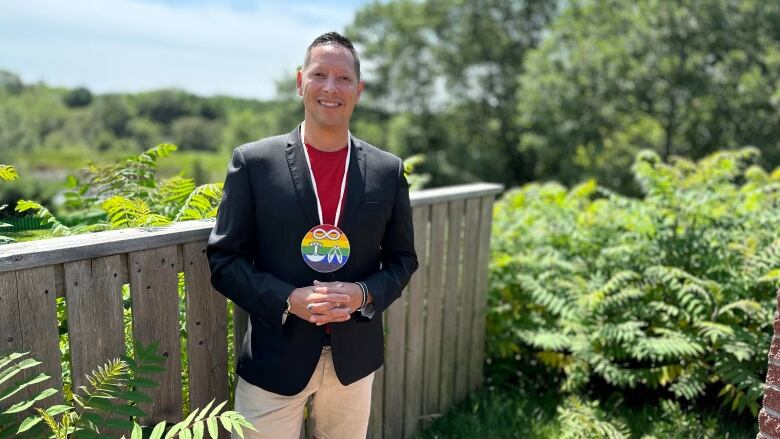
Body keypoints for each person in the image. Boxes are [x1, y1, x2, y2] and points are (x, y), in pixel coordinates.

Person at [207, 31, 418, 439]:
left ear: (359, 89)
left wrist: (363, 294)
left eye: (343, 78)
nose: (330, 87)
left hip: (353, 363)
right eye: (320, 74)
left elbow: (402, 260)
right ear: (300, 81)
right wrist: (288, 299)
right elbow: (224, 260)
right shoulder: (254, 163)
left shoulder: (387, 171)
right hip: (274, 359)